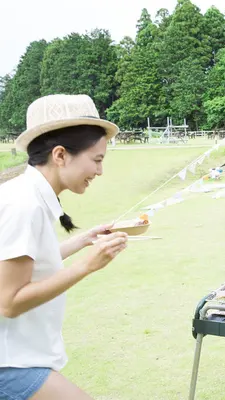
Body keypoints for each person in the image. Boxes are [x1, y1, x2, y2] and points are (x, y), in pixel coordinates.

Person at [0, 94, 129, 400]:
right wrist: (87, 265)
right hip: (11, 362)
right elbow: (8, 301)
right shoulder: (24, 204)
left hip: (21, 356)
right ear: (60, 155)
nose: (99, 171)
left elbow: (25, 268)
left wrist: (82, 241)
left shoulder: (30, 194)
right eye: (96, 160)